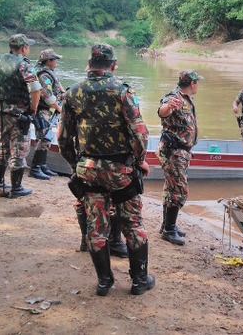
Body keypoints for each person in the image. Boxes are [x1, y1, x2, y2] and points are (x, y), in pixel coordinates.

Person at [58, 44, 154, 296]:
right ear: (113, 65)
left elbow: (63, 139)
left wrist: (75, 166)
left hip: (88, 170)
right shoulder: (122, 92)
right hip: (121, 170)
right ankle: (139, 281)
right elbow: (140, 133)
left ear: (89, 64)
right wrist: (139, 160)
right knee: (132, 224)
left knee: (96, 225)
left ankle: (104, 281)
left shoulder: (72, 93)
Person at [0, 34, 42, 198]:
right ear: (24, 48)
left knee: (4, 145)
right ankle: (16, 189)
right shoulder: (23, 64)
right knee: (19, 149)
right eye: (28, 47)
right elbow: (36, 88)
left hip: (0, 113)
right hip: (18, 114)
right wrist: (33, 109)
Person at [157, 69, 202, 246]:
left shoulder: (187, 99)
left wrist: (189, 146)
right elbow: (162, 111)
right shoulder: (173, 97)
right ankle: (168, 230)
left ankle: (167, 226)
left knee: (171, 189)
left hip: (181, 151)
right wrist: (168, 108)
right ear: (192, 83)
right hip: (172, 151)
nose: (198, 85)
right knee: (179, 191)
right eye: (197, 82)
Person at [30, 49, 64, 180]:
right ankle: (35, 168)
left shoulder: (47, 72)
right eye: (55, 60)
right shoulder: (43, 74)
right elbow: (47, 96)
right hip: (41, 109)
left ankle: (42, 165)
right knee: (43, 137)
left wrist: (61, 91)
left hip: (46, 109)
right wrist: (59, 109)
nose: (56, 62)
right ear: (48, 61)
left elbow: (56, 84)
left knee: (46, 138)